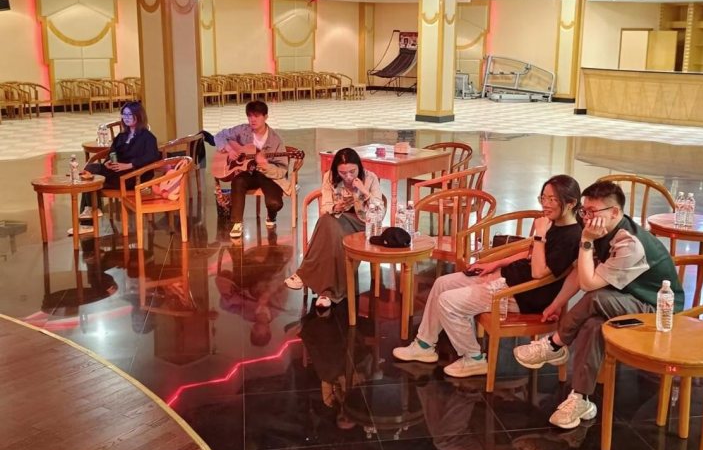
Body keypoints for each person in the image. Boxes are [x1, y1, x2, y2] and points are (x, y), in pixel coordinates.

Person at [513, 181, 685, 429]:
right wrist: (557, 303)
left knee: (597, 298)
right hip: (624, 298)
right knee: (593, 324)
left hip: (657, 310)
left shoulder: (629, 244)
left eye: (592, 212)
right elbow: (579, 272)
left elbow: (588, 283)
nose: (585, 217)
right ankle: (580, 398)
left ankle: (555, 344)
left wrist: (585, 241)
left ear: (614, 212)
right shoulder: (601, 230)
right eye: (584, 211)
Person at [392, 174, 583, 378]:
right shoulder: (555, 223)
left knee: (448, 302)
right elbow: (529, 253)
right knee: (442, 283)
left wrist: (539, 236)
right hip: (507, 277)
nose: (545, 204)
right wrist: (494, 264)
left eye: (552, 199)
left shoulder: (572, 236)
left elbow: (538, 272)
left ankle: (473, 358)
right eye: (543, 198)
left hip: (521, 294)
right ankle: (424, 344)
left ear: (571, 203)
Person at [284, 147, 382, 309]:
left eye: (352, 171)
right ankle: (327, 293)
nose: (348, 176)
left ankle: (303, 275)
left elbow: (379, 211)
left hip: (363, 224)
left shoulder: (370, 178)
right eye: (343, 173)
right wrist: (336, 207)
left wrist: (364, 192)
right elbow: (325, 207)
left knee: (328, 227)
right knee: (327, 222)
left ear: (359, 167)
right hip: (338, 219)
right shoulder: (329, 177)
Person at [74, 101, 160, 236]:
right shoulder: (122, 136)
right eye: (124, 114)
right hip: (117, 171)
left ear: (138, 115)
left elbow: (152, 157)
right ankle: (91, 212)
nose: (126, 118)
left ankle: (88, 220)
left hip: (133, 175)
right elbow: (112, 152)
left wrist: (129, 165)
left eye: (129, 114)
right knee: (90, 169)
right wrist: (108, 162)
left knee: (92, 182)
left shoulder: (148, 137)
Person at [214, 100, 289, 238]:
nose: (252, 120)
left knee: (275, 203)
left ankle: (271, 215)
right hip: (248, 173)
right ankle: (237, 222)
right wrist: (229, 149)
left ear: (265, 117)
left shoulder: (275, 140)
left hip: (268, 176)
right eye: (249, 116)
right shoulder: (243, 130)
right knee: (238, 181)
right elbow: (219, 136)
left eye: (256, 116)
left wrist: (266, 165)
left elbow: (282, 169)